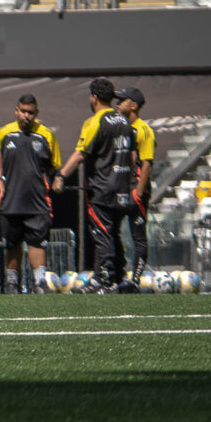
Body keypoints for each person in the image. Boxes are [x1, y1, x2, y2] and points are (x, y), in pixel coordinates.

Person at [62, 78, 140, 290]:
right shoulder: (124, 121)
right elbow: (133, 158)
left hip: (102, 188)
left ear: (93, 97)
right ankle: (120, 276)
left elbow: (80, 154)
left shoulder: (95, 122)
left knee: (102, 233)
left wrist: (61, 176)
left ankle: (102, 278)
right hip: (122, 187)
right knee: (113, 232)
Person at [0, 93, 62, 293]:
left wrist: (55, 182)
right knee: (12, 243)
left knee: (37, 242)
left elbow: (54, 167)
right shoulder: (4, 133)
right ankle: (12, 282)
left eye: (31, 112)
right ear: (16, 111)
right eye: (23, 111)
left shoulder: (46, 135)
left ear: (36, 113)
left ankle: (40, 282)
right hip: (10, 200)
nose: (26, 116)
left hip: (37, 200)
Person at [122, 86, 158, 284]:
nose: (118, 104)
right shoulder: (120, 127)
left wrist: (138, 192)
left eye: (122, 101)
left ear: (133, 105)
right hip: (119, 188)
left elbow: (147, 164)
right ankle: (116, 276)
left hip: (136, 188)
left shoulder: (144, 130)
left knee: (138, 236)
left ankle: (135, 279)